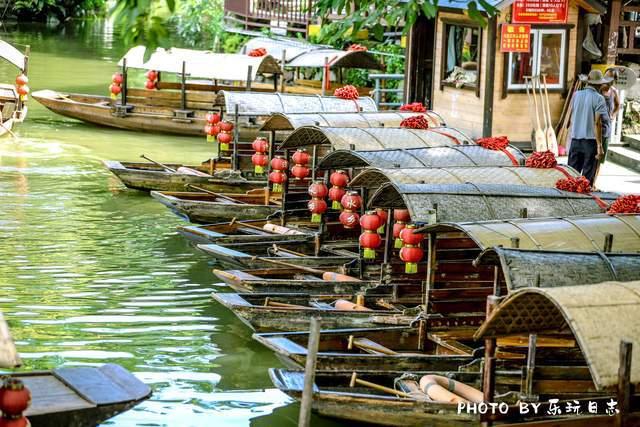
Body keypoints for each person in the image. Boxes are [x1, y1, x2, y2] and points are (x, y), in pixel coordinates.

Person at [568, 69, 612, 186]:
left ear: (588, 82)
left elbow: (574, 116)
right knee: (586, 180)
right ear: (599, 84)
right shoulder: (599, 98)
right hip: (590, 143)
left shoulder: (576, 95)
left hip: (575, 141)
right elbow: (597, 123)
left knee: (571, 178)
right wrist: (599, 146)